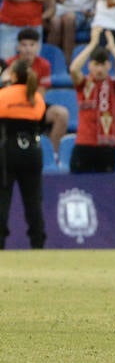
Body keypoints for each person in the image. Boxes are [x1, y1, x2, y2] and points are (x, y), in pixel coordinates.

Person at [67, 29, 115, 174]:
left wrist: (113, 48)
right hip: (84, 143)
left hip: (107, 146)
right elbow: (73, 69)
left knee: (107, 191)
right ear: (89, 65)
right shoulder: (83, 83)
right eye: (95, 64)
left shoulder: (114, 86)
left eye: (103, 64)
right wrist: (92, 44)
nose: (99, 68)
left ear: (109, 66)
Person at [0, 57, 46, 248]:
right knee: (33, 200)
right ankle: (37, 241)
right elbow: (42, 125)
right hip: (33, 152)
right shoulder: (36, 97)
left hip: (8, 152)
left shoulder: (3, 95)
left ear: (12, 75)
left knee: (3, 199)